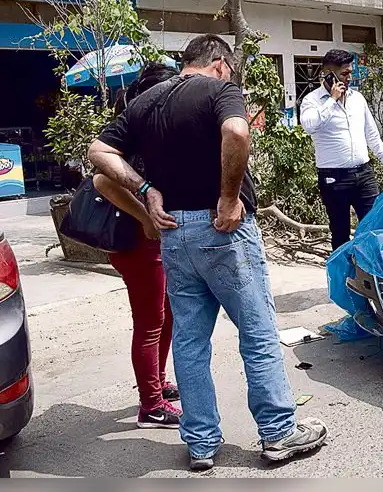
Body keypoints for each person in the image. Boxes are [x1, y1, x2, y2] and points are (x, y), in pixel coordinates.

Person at [88, 35, 328, 471]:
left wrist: (146, 191)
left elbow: (98, 152)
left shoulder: (147, 101)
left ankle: (200, 442)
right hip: (223, 230)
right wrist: (230, 196)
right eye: (231, 71)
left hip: (174, 232)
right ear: (220, 63)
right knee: (256, 332)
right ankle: (278, 433)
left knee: (189, 339)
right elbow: (236, 131)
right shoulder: (220, 90)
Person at [93, 62, 181, 429]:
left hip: (153, 240)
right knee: (149, 322)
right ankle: (151, 407)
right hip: (136, 242)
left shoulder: (154, 127)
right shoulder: (132, 130)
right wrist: (145, 216)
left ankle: (156, 384)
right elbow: (101, 180)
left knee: (167, 316)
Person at [299, 49, 383, 252]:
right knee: (340, 232)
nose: (349, 77)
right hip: (334, 178)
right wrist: (332, 100)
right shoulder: (312, 101)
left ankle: (371, 276)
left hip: (364, 173)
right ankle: (342, 280)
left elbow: (370, 132)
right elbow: (309, 126)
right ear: (328, 73)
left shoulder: (357, 99)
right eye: (344, 73)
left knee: (374, 226)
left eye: (350, 72)